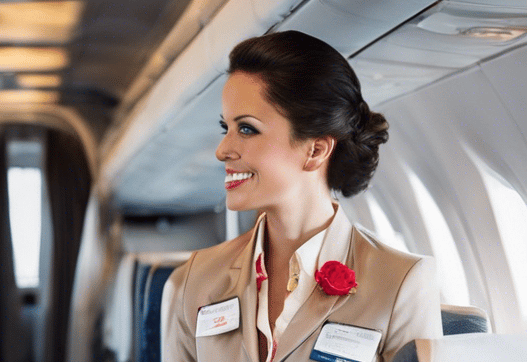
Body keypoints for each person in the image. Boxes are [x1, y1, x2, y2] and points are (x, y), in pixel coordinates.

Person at [161, 31, 442, 362]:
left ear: (316, 150)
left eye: (247, 129)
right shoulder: (192, 281)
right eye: (227, 129)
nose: (223, 150)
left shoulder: (400, 284)